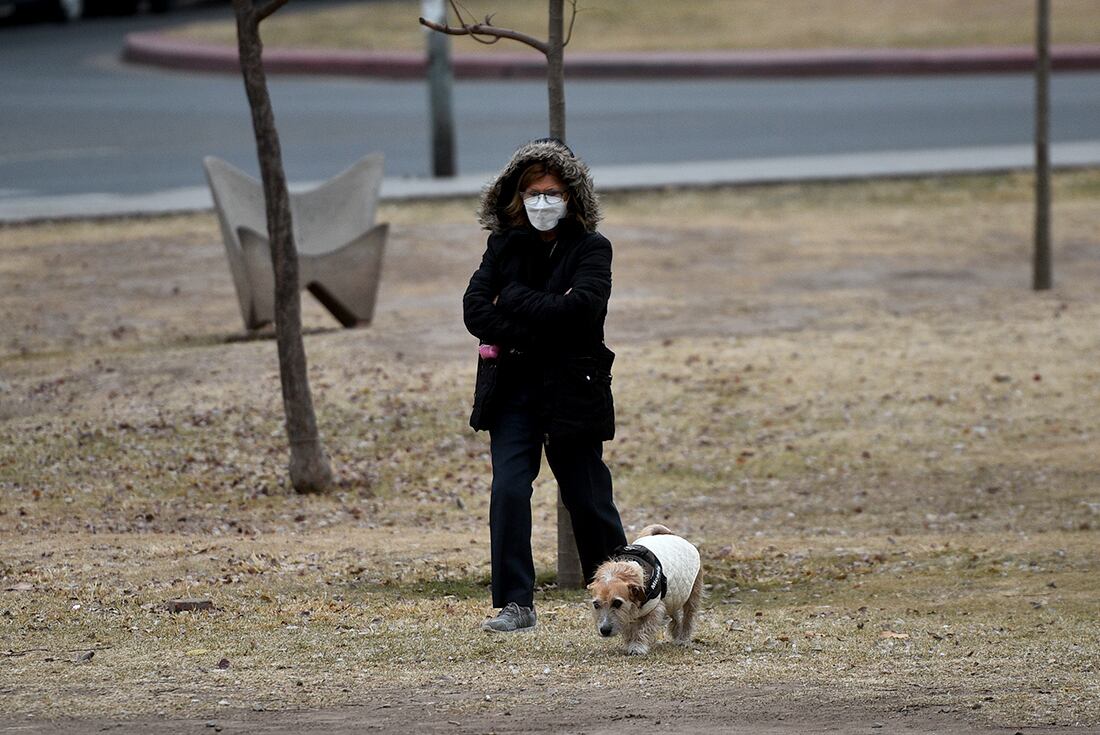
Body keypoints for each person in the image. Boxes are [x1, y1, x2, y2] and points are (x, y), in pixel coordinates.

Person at [463, 138, 628, 632]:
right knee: (510, 490)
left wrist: (510, 299)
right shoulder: (502, 246)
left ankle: (624, 592)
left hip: (573, 390)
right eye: (532, 192)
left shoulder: (592, 249)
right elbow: (475, 312)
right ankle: (516, 603)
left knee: (587, 496)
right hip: (513, 389)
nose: (541, 201)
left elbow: (582, 312)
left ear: (572, 196)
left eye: (552, 191)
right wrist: (540, 324)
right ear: (516, 196)